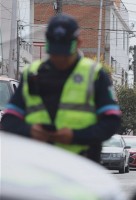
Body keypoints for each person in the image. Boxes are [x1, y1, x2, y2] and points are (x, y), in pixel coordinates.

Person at [1, 14, 121, 162]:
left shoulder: (95, 74)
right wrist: (30, 131)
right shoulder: (32, 74)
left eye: (64, 53)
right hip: (39, 164)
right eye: (54, 52)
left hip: (82, 164)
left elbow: (112, 121)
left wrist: (75, 136)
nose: (59, 58)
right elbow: (9, 120)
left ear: (78, 43)